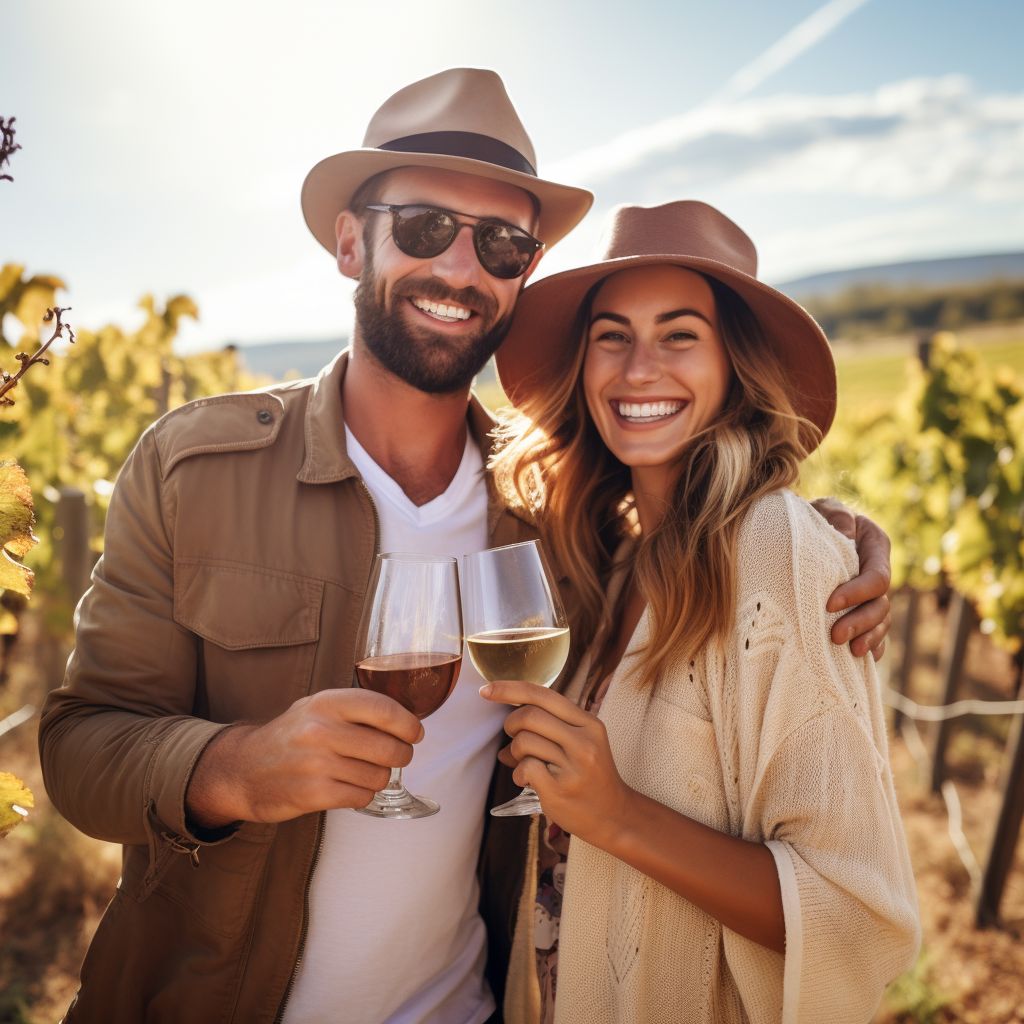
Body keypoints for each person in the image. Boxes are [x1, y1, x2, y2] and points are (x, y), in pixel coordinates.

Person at [38, 69, 893, 1023]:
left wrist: (833, 534)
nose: (460, 269)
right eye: (424, 228)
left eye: (501, 244)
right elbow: (79, 749)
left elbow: (707, 539)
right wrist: (235, 768)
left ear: (522, 275)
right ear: (349, 240)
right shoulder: (194, 469)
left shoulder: (548, 511)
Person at [483, 200, 921, 1024]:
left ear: (734, 365)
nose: (638, 368)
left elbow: (857, 912)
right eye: (611, 335)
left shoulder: (777, 550)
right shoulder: (611, 558)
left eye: (679, 334)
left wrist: (617, 817)